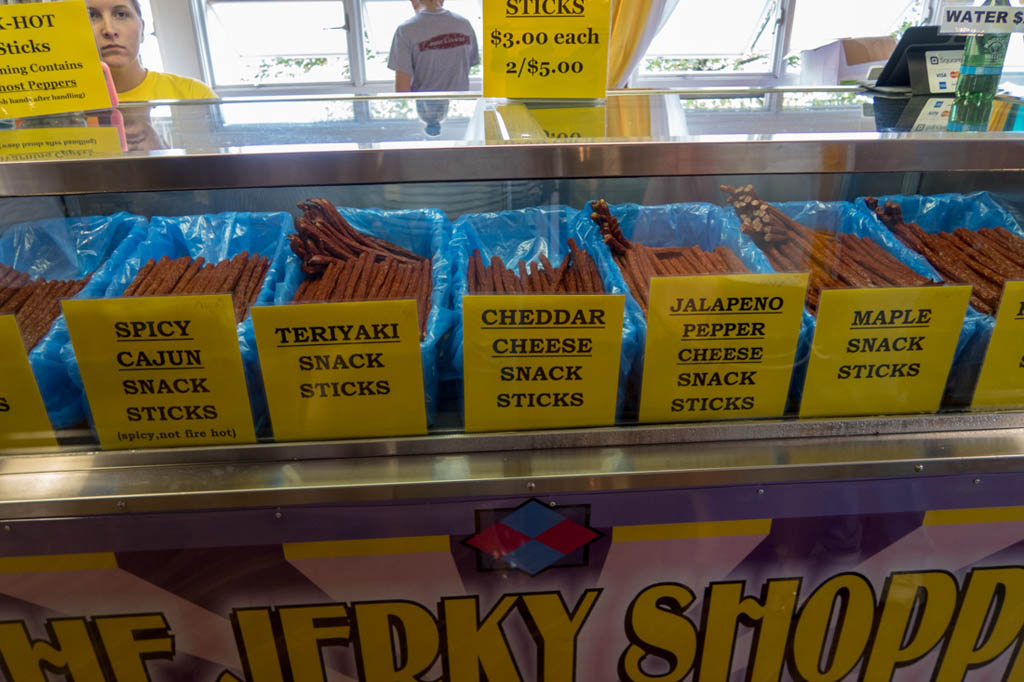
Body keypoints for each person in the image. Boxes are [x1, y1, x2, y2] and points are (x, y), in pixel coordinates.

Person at [87, 0, 217, 102]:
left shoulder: (193, 94)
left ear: (142, 30)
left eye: (121, 14)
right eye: (92, 16)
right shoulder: (71, 101)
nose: (109, 30)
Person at [388, 0, 479, 93]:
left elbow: (402, 89)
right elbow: (466, 68)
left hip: (424, 105)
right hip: (461, 102)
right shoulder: (464, 25)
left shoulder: (405, 31)